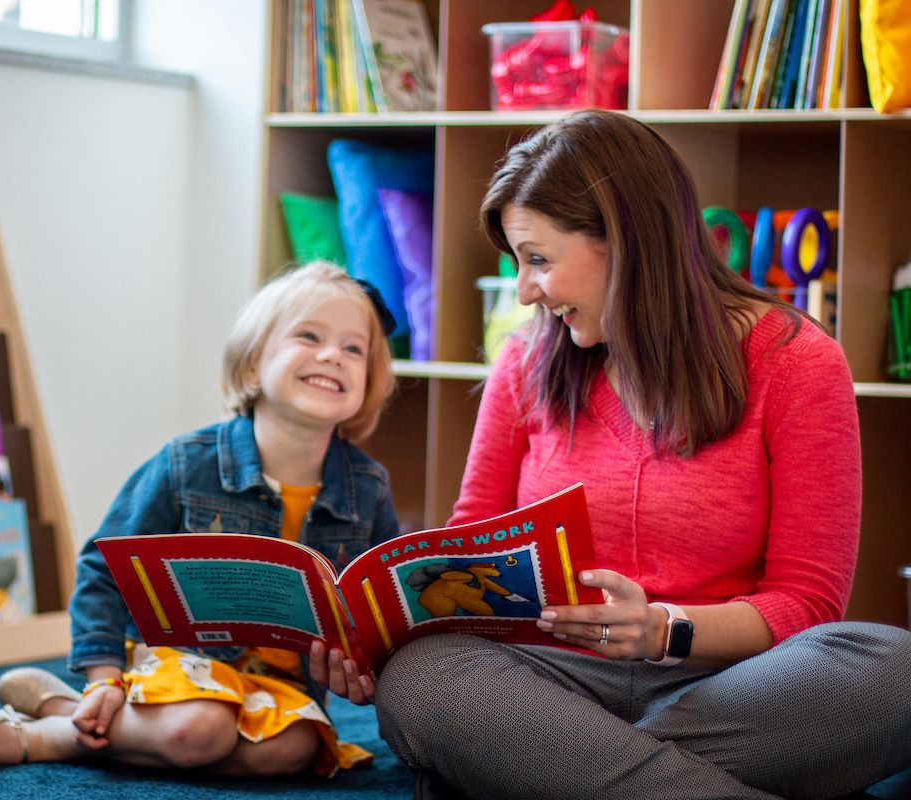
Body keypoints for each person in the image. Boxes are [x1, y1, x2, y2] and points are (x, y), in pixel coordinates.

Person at [357, 110, 910, 799]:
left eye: (537, 259)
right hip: (548, 674)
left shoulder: (796, 362)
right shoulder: (526, 360)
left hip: (722, 682)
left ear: (624, 241)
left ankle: (538, 768)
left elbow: (807, 604)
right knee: (423, 676)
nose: (525, 290)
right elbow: (472, 554)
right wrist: (376, 632)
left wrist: (661, 631)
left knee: (893, 668)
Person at [0, 260, 400, 777]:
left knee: (299, 750)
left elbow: (376, 608)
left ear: (369, 380)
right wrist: (102, 676)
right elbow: (105, 566)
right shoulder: (187, 463)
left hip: (281, 686)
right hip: (180, 662)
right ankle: (44, 736)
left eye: (352, 348)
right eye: (309, 336)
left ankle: (70, 712)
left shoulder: (368, 488)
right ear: (253, 366)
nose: (331, 356)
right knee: (199, 730)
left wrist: (363, 666)